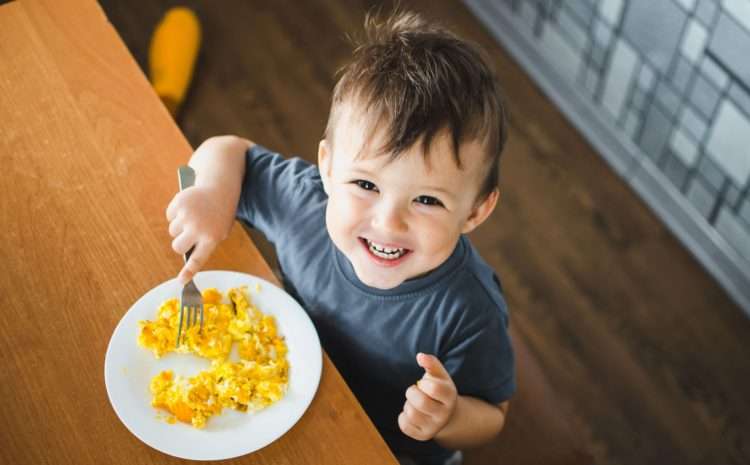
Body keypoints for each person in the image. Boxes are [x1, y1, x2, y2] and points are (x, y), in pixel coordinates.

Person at [165, 10, 515, 465]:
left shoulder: (470, 310)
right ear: (327, 167)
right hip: (280, 395)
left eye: (427, 200)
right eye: (366, 185)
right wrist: (211, 195)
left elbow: (494, 414)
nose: (389, 223)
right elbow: (229, 150)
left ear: (476, 211)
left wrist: (448, 417)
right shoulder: (306, 205)